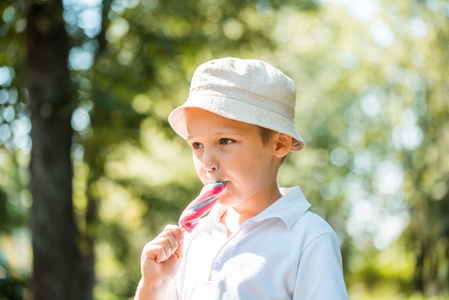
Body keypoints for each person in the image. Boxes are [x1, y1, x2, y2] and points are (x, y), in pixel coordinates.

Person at [135, 57, 348, 300]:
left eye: (225, 141)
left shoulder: (309, 238)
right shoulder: (194, 239)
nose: (207, 163)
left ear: (279, 144)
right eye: (197, 144)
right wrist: (153, 285)